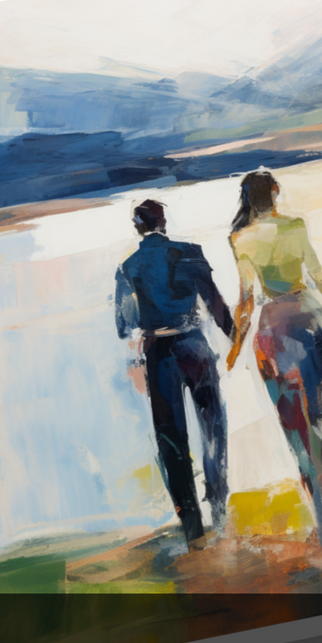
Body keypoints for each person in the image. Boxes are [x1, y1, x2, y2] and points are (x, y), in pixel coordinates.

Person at [225, 171, 322, 546]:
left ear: (247, 199)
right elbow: (318, 275)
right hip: (311, 319)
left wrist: (235, 349)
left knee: (292, 422)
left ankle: (321, 511)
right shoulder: (295, 226)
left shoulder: (240, 239)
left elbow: (247, 300)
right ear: (276, 193)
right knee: (319, 410)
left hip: (272, 331)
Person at [114, 198, 234, 550]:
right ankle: (220, 504)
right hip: (194, 346)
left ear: (138, 227)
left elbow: (125, 324)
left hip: (158, 352)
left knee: (171, 439)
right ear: (164, 221)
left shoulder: (129, 267)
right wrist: (236, 339)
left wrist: (136, 359)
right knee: (213, 423)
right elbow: (215, 304)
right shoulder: (191, 252)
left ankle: (192, 526)